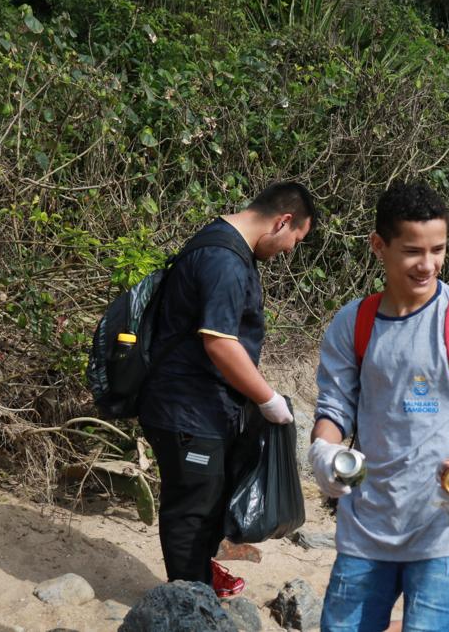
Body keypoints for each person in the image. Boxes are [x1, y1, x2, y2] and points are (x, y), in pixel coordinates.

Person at [309, 181, 449, 631]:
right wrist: (323, 453)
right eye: (412, 251)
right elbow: (333, 412)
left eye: (438, 249)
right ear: (379, 246)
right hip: (366, 531)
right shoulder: (354, 322)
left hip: (444, 535)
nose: (427, 265)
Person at [139, 181, 316, 598]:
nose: (290, 251)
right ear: (283, 221)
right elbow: (219, 342)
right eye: (295, 239)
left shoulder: (222, 245)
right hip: (184, 409)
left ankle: (199, 577)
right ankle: (188, 601)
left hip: (201, 406)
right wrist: (268, 398)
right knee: (192, 509)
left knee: (210, 495)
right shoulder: (223, 259)